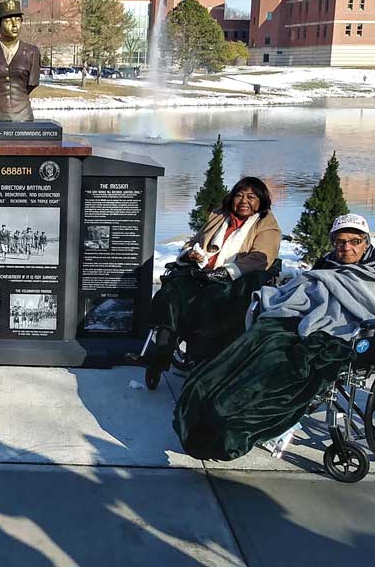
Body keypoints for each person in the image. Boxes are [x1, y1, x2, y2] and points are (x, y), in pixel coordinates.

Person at [175, 214, 375, 461]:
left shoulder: (371, 273)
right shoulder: (326, 265)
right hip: (298, 319)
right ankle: (204, 403)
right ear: (333, 243)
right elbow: (307, 289)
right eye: (340, 242)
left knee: (285, 367)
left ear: (366, 242)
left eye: (354, 241)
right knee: (254, 345)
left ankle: (232, 424)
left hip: (341, 330)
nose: (347, 248)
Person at [145, 176, 281, 369]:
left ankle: (199, 353)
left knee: (209, 300)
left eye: (251, 197)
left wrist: (225, 273)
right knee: (170, 292)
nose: (244, 201)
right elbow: (194, 241)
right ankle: (161, 351)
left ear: (261, 201)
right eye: (239, 195)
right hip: (201, 273)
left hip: (235, 282)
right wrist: (190, 253)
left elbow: (261, 258)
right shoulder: (219, 216)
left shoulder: (266, 225)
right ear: (231, 198)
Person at [0, 0, 41, 122]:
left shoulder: (32, 52)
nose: (14, 24)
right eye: (8, 21)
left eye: (18, 20)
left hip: (23, 115)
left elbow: (32, 83)